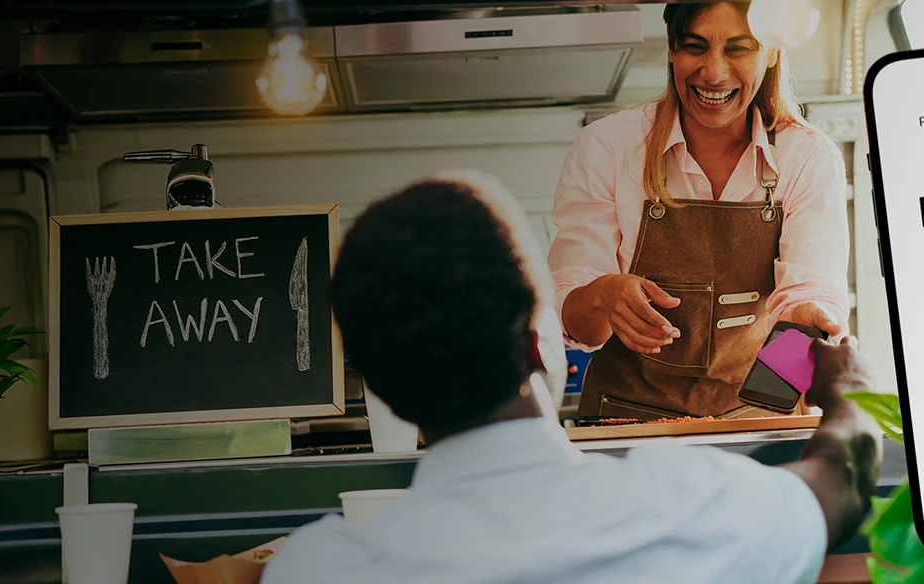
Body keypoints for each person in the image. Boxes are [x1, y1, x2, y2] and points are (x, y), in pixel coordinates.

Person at [260, 170, 883, 584]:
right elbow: (845, 480)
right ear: (539, 342)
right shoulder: (692, 507)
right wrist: (845, 384)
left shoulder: (317, 569)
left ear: (384, 388)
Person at [549, 1, 850, 421]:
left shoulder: (806, 157)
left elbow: (805, 296)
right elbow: (579, 323)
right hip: (623, 423)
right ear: (672, 49)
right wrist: (602, 296)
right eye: (695, 46)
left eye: (738, 49)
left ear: (772, 52)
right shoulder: (606, 148)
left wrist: (803, 331)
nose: (713, 71)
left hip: (754, 420)